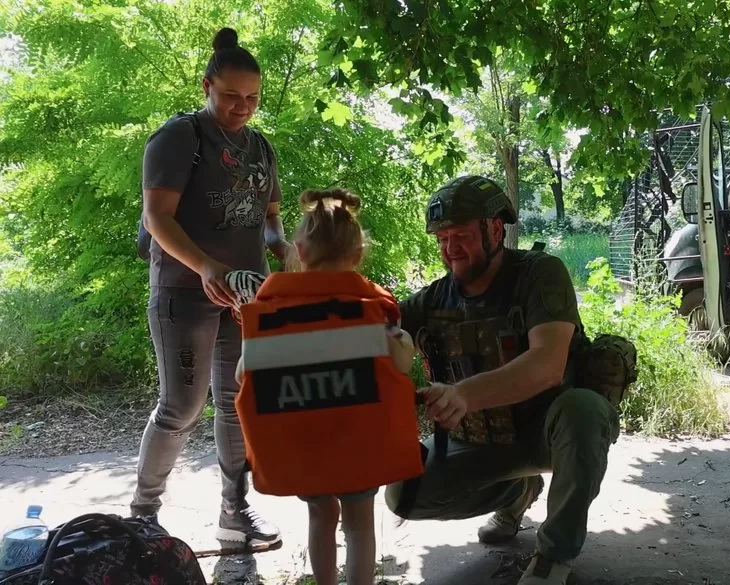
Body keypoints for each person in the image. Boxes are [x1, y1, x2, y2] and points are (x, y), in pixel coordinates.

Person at [384, 175, 621, 585]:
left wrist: (463, 394)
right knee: (405, 492)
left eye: (461, 236)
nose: (450, 248)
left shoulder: (540, 273)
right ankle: (517, 492)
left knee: (584, 410)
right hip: (480, 440)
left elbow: (547, 364)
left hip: (548, 433)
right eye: (442, 238)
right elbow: (373, 329)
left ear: (495, 230)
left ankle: (553, 555)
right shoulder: (435, 298)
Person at [131, 26, 293, 547]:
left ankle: (234, 510)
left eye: (252, 98)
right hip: (184, 291)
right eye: (231, 95)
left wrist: (283, 248)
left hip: (244, 297)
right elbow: (157, 218)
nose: (242, 107)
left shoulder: (260, 147)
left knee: (236, 401)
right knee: (181, 407)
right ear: (207, 87)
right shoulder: (180, 137)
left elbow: (270, 219)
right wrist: (205, 267)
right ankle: (143, 515)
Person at [233, 188, 419, 585]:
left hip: (306, 448)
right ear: (358, 254)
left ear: (299, 251)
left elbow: (243, 374)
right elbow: (403, 363)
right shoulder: (373, 314)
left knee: (320, 516)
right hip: (359, 446)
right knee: (359, 523)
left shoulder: (270, 318)